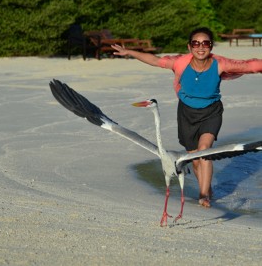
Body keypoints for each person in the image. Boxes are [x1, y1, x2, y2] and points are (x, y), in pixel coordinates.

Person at [111, 27, 262, 208]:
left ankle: (204, 195)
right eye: (195, 43)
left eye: (205, 43)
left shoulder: (220, 64)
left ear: (211, 46)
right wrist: (128, 52)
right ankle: (207, 189)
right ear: (189, 47)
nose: (200, 47)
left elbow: (251, 65)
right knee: (195, 159)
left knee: (204, 150)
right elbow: (154, 60)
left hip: (211, 113)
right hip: (186, 114)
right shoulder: (180, 63)